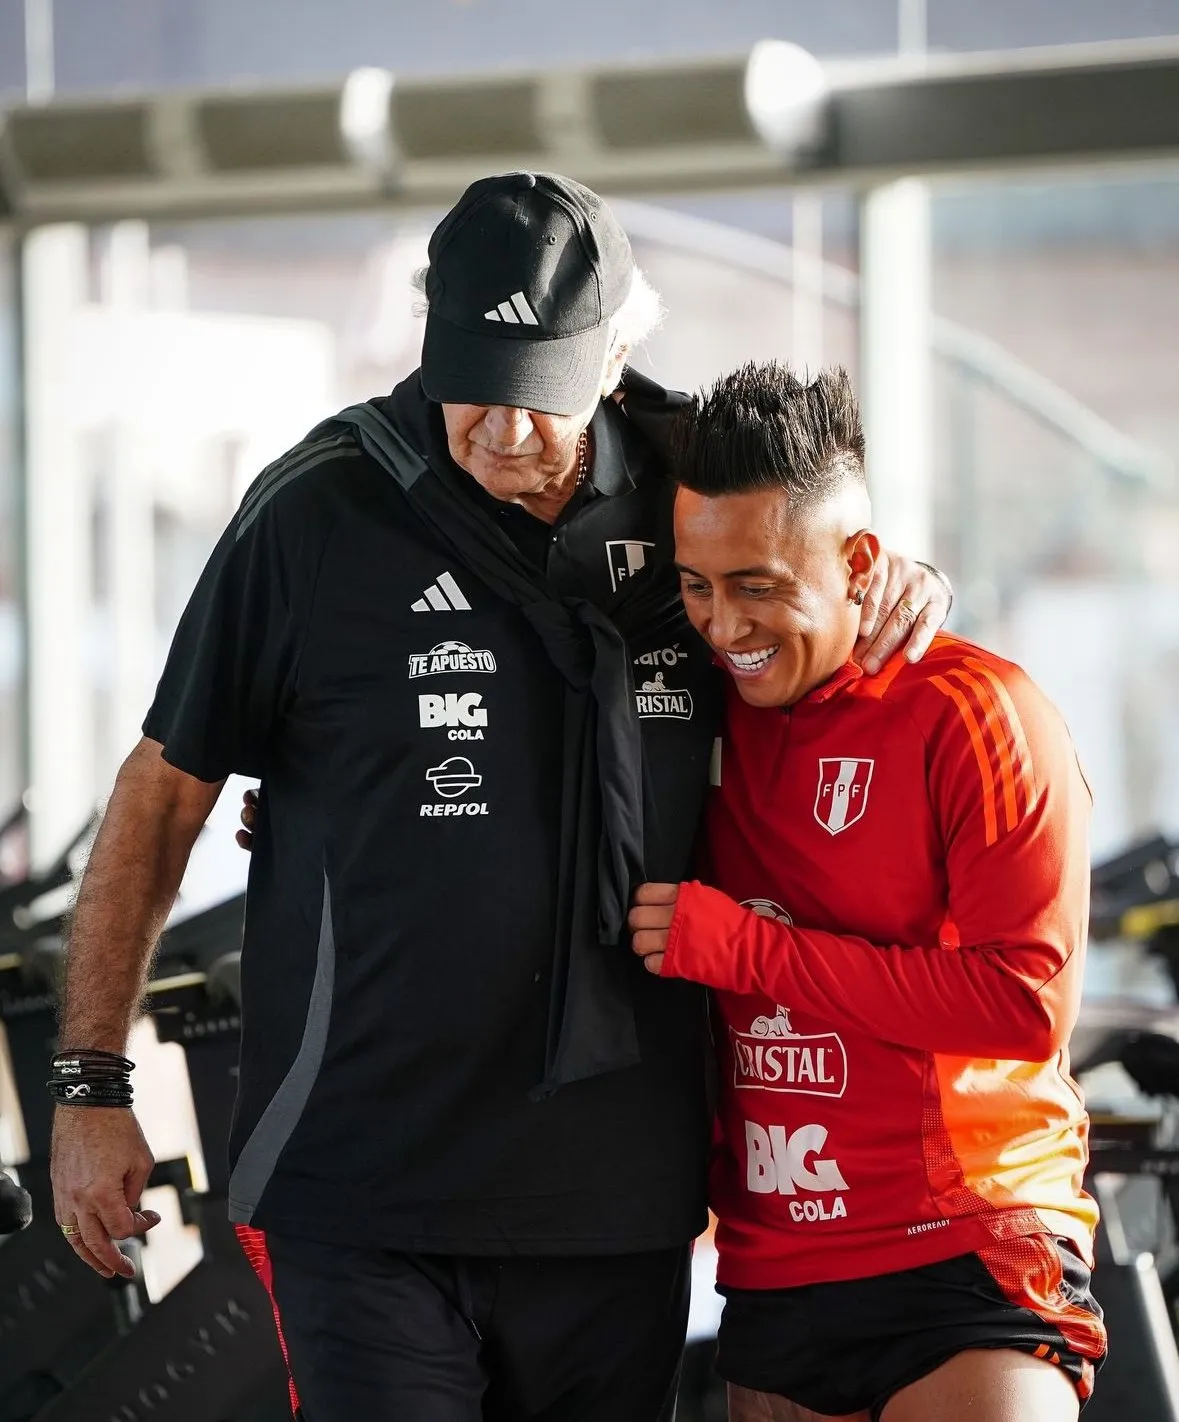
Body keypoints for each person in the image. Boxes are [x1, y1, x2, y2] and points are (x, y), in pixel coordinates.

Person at [49, 174, 952, 1422]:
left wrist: (897, 581)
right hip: (364, 1182)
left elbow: (822, 577)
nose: (506, 428)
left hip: (619, 1190)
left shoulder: (695, 482)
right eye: (475, 377)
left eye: (545, 390)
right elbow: (162, 794)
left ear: (621, 354)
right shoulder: (316, 512)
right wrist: (92, 1085)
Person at [629, 361, 1105, 1422]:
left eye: (758, 586)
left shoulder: (976, 710)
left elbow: (1022, 1007)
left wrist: (743, 950)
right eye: (697, 587)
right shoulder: (693, 704)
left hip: (970, 1249)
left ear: (860, 564)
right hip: (774, 1265)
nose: (722, 625)